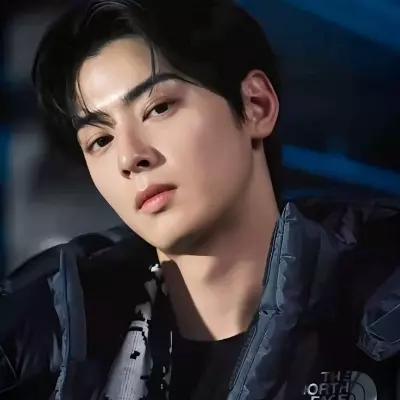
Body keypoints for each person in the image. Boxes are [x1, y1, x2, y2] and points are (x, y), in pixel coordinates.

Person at [1, 0, 400, 399]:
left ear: (256, 105)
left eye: (158, 108)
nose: (130, 157)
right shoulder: (36, 348)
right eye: (100, 140)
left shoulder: (383, 307)